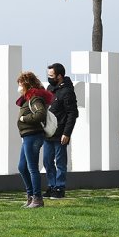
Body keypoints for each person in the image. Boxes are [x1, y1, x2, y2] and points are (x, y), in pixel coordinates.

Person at [16, 71, 54, 208]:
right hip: (27, 136)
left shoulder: (35, 98)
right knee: (22, 167)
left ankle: (37, 199)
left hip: (33, 136)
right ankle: (31, 196)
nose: (19, 87)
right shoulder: (27, 98)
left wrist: (24, 119)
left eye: (20, 84)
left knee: (32, 168)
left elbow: (40, 115)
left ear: (26, 84)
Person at [42, 62, 78, 199]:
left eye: (51, 75)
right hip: (48, 133)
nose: (49, 77)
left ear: (60, 76)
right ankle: (51, 186)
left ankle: (60, 187)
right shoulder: (50, 88)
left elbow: (72, 114)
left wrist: (67, 133)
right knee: (47, 161)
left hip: (60, 133)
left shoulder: (67, 91)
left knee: (60, 162)